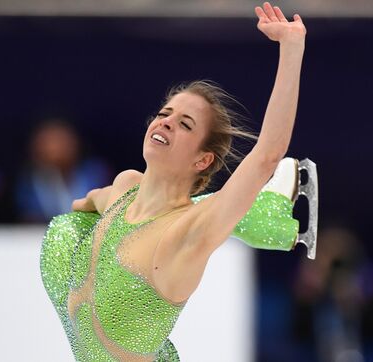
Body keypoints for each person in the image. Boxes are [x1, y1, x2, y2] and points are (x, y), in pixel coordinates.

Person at [40, 3, 311, 360]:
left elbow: (266, 155)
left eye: (184, 124)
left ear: (203, 159)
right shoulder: (124, 187)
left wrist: (292, 48)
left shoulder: (187, 233)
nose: (165, 122)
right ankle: (260, 214)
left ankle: (259, 210)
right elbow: (84, 205)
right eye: (165, 113)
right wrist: (79, 212)